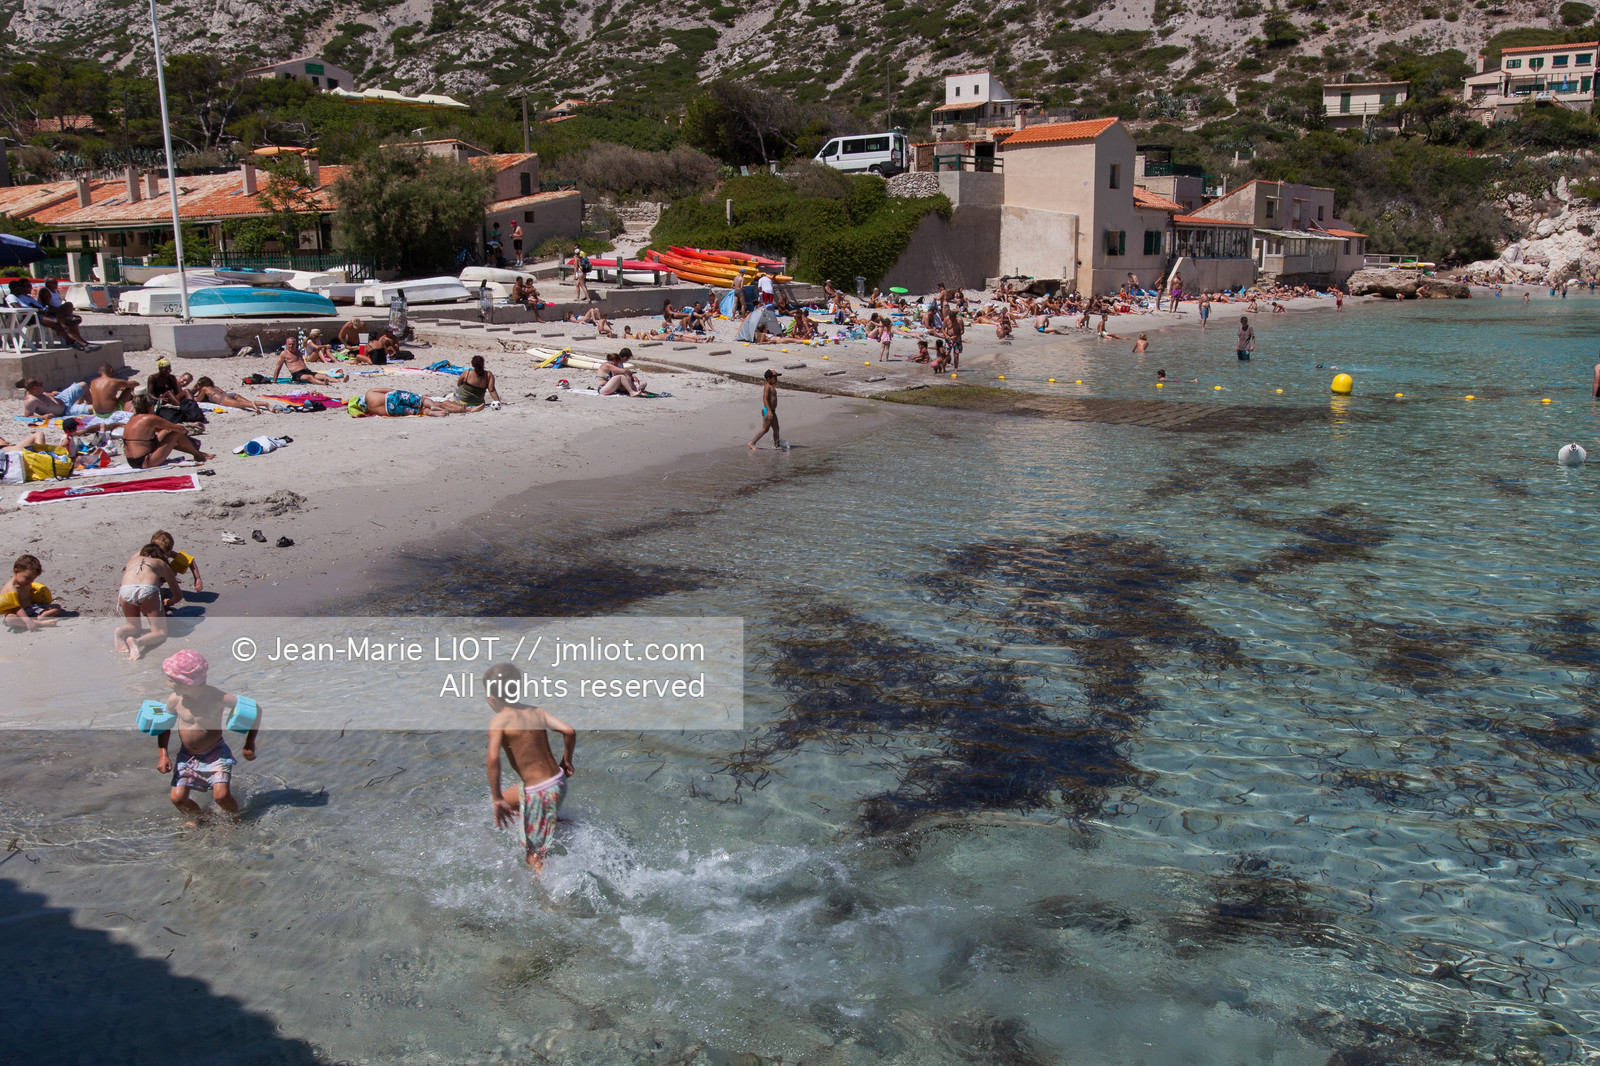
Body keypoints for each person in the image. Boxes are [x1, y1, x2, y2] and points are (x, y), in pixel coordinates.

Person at [484, 662, 575, 873]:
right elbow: (569, 731)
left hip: (540, 792)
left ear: (492, 698)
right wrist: (567, 761)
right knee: (510, 800)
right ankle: (552, 820)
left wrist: (496, 797)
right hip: (557, 782)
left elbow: (492, 757)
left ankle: (553, 903)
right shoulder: (536, 712)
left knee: (533, 856)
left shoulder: (499, 721)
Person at [154, 649, 259, 819]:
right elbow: (164, 726)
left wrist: (250, 743)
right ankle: (199, 817)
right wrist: (163, 754)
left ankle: (235, 819)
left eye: (171, 680)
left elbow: (255, 709)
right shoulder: (174, 700)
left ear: (187, 683)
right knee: (177, 798)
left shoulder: (217, 697)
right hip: (187, 756)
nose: (168, 684)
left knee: (221, 797)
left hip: (215, 753)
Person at [115, 543, 182, 660]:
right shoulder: (161, 563)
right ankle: (137, 642)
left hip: (126, 589)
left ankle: (121, 632)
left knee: (133, 626)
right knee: (160, 632)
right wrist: (169, 602)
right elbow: (178, 595)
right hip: (147, 589)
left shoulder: (133, 559)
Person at [121, 396, 213, 468]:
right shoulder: (150, 418)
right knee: (176, 434)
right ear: (150, 406)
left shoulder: (133, 418)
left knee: (166, 430)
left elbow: (165, 428)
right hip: (146, 461)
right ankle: (199, 455)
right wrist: (186, 429)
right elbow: (180, 429)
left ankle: (198, 453)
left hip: (132, 462)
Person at [6, 279, 97, 350]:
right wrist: (39, 310)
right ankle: (76, 342)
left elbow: (37, 305)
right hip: (33, 316)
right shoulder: (12, 297)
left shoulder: (25, 297)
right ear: (14, 289)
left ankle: (80, 342)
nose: (21, 290)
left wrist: (43, 309)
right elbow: (18, 308)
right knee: (59, 322)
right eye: (19, 288)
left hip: (40, 313)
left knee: (69, 315)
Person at [1, 554, 64, 631]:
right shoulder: (11, 588)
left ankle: (38, 619)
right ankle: (39, 623)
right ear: (16, 571)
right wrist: (27, 621)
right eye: (28, 578)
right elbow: (16, 608)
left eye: (33, 579)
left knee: (57, 607)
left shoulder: (25, 583)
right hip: (18, 613)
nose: (30, 581)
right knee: (10, 619)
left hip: (31, 608)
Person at [150, 529, 202, 601]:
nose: (160, 554)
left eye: (164, 553)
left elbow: (189, 560)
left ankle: (158, 587)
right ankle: (156, 589)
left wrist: (197, 579)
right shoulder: (149, 556)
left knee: (177, 566)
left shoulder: (168, 552)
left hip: (157, 577)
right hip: (148, 579)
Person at [358, 388, 476, 417]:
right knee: (422, 400)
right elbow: (389, 390)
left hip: (390, 410)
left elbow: (387, 415)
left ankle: (433, 413)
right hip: (391, 397)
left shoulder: (372, 410)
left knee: (419, 410)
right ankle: (433, 406)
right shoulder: (369, 393)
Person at [17, 376, 91, 418]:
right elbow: (28, 416)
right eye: (41, 385)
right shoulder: (31, 401)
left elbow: (43, 395)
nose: (43, 386)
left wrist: (50, 394)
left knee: (83, 384)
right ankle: (88, 405)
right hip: (66, 410)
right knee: (93, 408)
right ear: (35, 388)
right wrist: (42, 417)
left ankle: (90, 402)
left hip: (61, 397)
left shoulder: (35, 392)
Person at [193, 376, 268, 414]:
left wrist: (195, 389)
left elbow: (198, 400)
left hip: (223, 399)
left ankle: (252, 405)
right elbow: (224, 393)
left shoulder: (204, 389)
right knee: (247, 402)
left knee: (239, 404)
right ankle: (264, 404)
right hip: (231, 395)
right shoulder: (215, 387)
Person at [748, 369, 781, 450]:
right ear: (768, 379)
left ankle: (777, 446)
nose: (776, 380)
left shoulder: (772, 387)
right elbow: (765, 399)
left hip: (772, 411)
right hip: (767, 410)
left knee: (776, 429)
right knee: (765, 429)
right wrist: (769, 411)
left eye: (776, 378)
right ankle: (752, 443)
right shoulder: (767, 387)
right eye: (775, 378)